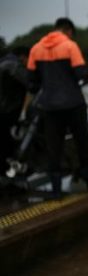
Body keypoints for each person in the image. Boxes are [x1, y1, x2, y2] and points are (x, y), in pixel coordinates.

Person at [27, 17, 88, 198]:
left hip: (49, 107)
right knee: (82, 142)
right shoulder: (70, 46)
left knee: (54, 148)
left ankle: (56, 189)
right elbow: (81, 74)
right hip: (74, 103)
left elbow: (32, 83)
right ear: (68, 30)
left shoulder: (36, 49)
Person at [0, 46, 30, 179]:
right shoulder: (13, 66)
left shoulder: (4, 62)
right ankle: (7, 176)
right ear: (23, 56)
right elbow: (31, 83)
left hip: (5, 109)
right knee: (6, 145)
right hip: (6, 111)